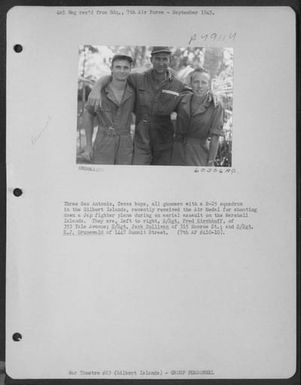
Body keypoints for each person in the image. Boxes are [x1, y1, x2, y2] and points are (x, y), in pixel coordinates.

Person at [88, 47, 188, 165]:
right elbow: (116, 76)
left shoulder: (178, 85)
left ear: (169, 60)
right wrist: (97, 87)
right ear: (151, 59)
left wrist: (211, 96)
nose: (161, 63)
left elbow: (195, 94)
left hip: (164, 142)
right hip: (141, 141)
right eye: (157, 59)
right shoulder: (138, 78)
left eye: (165, 59)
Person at [81, 53, 135, 165]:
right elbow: (88, 114)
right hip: (103, 142)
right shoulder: (99, 91)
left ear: (130, 70)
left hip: (125, 144)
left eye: (125, 68)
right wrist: (88, 146)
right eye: (118, 67)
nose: (122, 71)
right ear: (111, 69)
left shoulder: (134, 92)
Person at [173, 69, 224, 166]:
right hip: (177, 153)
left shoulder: (216, 105)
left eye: (204, 82)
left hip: (198, 154)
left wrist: (210, 162)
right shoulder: (182, 99)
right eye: (196, 82)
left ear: (209, 85)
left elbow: (215, 138)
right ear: (191, 83)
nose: (199, 86)